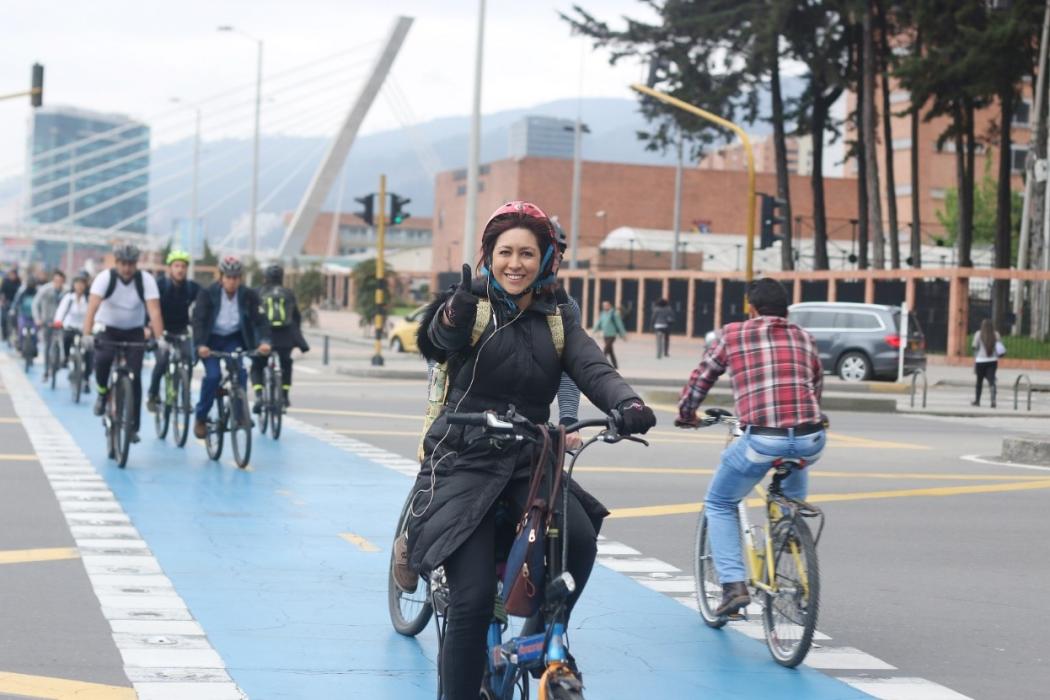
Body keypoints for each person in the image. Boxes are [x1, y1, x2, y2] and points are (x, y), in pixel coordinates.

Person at [394, 201, 656, 700]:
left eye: (528, 254)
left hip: (530, 462)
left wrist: (628, 402)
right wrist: (454, 312)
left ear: (545, 260)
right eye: (506, 252)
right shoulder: (470, 305)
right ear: (489, 256)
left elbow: (592, 366)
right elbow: (438, 339)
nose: (516, 263)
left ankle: (542, 631)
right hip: (464, 459)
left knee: (579, 539)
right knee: (470, 605)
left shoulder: (557, 316)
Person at [675, 278, 825, 617]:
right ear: (786, 311)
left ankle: (733, 587)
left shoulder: (733, 334)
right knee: (793, 488)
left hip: (762, 437)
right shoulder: (805, 337)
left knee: (720, 501)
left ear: (752, 309)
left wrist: (687, 414)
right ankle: (793, 548)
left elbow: (702, 378)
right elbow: (815, 384)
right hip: (811, 438)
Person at [82, 245, 165, 443]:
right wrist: (86, 334)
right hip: (108, 329)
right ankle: (102, 393)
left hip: (134, 332)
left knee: (135, 377)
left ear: (136, 264)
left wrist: (160, 338)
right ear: (116, 263)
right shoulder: (104, 278)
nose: (127, 268)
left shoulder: (146, 280)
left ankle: (132, 426)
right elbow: (92, 308)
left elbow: (154, 312)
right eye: (123, 264)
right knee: (102, 358)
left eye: (131, 264)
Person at [191, 256, 271, 439]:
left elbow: (261, 321)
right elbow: (199, 321)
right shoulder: (208, 293)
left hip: (233, 339)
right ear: (221, 277)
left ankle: (239, 414)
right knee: (213, 376)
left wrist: (265, 341)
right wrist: (200, 345)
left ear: (240, 278)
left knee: (240, 372)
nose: (232, 281)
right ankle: (201, 417)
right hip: (210, 341)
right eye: (229, 277)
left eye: (236, 277)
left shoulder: (248, 295)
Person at [146, 250, 201, 414]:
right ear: (170, 268)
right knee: (162, 361)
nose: (180, 269)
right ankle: (153, 394)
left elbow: (205, 304)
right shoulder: (160, 285)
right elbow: (148, 306)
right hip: (161, 329)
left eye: (183, 266)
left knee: (188, 359)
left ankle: (185, 397)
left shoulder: (192, 287)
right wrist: (147, 328)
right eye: (176, 266)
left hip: (182, 329)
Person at [250, 263, 308, 412]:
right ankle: (284, 396)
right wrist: (297, 336)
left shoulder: (258, 292)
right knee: (286, 364)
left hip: (265, 336)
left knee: (257, 365)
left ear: (265, 278)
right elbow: (296, 317)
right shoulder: (288, 293)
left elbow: (252, 316)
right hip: (285, 336)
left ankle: (258, 395)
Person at [54, 272, 94, 392]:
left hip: (83, 330)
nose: (80, 286)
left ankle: (86, 379)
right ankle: (66, 358)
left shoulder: (89, 299)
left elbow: (94, 314)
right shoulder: (68, 298)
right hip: (69, 327)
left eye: (82, 283)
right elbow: (61, 311)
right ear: (74, 285)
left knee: (89, 351)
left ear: (86, 285)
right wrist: (58, 321)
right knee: (66, 338)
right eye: (77, 283)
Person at [33, 270, 67, 380]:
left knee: (62, 345)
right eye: (56, 280)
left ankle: (58, 364)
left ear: (63, 281)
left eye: (61, 281)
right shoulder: (45, 290)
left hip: (61, 323)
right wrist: (38, 319)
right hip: (47, 322)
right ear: (53, 280)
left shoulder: (67, 292)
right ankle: (46, 370)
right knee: (47, 346)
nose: (58, 283)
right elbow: (35, 304)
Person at [971, 318, 1004, 408]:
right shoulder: (996, 334)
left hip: (980, 361)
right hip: (992, 361)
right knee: (992, 381)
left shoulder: (978, 334)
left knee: (979, 381)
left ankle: (977, 401)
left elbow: (974, 346)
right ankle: (993, 400)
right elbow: (1000, 348)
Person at [592, 300, 627, 369]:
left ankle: (601, 365)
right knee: (610, 351)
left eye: (606, 305)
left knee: (605, 350)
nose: (605, 307)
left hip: (612, 335)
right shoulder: (602, 313)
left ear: (610, 306)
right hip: (605, 335)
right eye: (604, 305)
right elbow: (599, 323)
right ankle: (615, 366)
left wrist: (623, 334)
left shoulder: (614, 314)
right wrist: (594, 330)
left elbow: (619, 324)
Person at [10, 277, 39, 356]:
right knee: (21, 329)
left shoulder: (37, 292)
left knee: (36, 332)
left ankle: (35, 347)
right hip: (23, 315)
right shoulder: (22, 292)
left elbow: (40, 303)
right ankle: (20, 344)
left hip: (34, 316)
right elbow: (16, 301)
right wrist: (13, 309)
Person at [1, 268, 21, 343]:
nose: (12, 276)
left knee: (15, 319)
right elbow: (2, 292)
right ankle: (4, 335)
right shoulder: (5, 281)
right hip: (6, 302)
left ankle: (15, 334)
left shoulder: (18, 281)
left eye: (14, 275)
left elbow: (20, 292)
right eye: (11, 275)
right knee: (4, 319)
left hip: (15, 303)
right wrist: (2, 301)